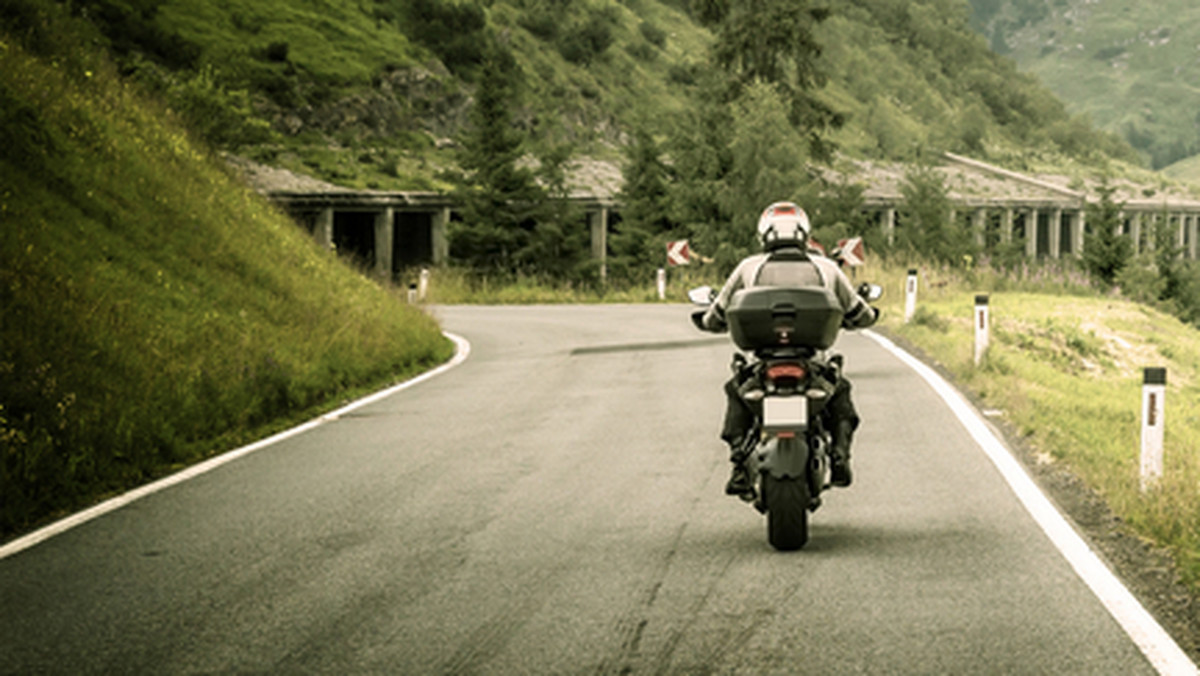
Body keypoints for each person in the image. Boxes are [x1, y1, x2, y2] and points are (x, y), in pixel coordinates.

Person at [698, 202, 879, 498]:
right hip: (810, 361)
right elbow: (862, 314)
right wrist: (862, 316)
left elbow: (716, 314)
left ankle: (739, 463)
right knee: (840, 395)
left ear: (763, 233)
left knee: (736, 391)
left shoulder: (748, 267)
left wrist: (709, 321)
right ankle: (840, 455)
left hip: (763, 362)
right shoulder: (826, 267)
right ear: (804, 233)